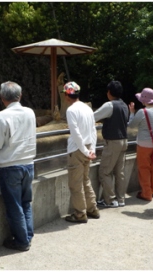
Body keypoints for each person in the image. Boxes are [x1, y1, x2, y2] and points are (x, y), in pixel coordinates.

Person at [0, 81, 36, 251]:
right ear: (20, 95)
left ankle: (22, 241)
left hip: (10, 166)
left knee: (14, 205)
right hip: (29, 164)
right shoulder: (30, 112)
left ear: (2, 98)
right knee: (26, 202)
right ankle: (27, 235)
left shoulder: (0, 117)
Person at [62, 81, 100, 223]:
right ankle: (92, 208)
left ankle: (80, 214)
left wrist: (84, 150)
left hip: (77, 149)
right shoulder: (87, 108)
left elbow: (75, 133)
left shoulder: (71, 110)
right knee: (85, 179)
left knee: (75, 183)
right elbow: (93, 130)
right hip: (88, 146)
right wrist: (91, 150)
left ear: (67, 96)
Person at [93, 81, 129, 208]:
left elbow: (93, 117)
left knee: (104, 171)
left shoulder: (109, 105)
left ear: (109, 92)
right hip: (124, 140)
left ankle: (109, 200)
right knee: (120, 172)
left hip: (113, 142)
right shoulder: (125, 105)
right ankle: (121, 199)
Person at [128, 88, 153, 201]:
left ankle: (146, 193)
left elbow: (131, 125)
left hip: (144, 144)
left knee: (143, 168)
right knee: (152, 167)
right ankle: (152, 189)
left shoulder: (142, 112)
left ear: (144, 100)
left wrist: (131, 113)